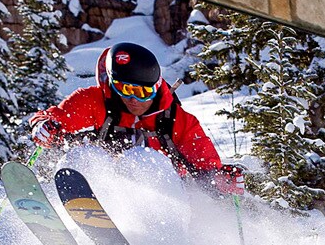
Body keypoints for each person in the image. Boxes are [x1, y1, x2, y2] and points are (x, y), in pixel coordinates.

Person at [33, 41, 235, 182]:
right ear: (113, 84)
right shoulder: (94, 101)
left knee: (142, 162)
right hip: (107, 188)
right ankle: (81, 213)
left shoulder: (176, 120)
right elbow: (54, 118)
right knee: (83, 156)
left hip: (165, 197)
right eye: (126, 89)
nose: (133, 99)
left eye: (143, 93)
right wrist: (45, 128)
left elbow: (205, 162)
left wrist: (220, 179)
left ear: (156, 88)